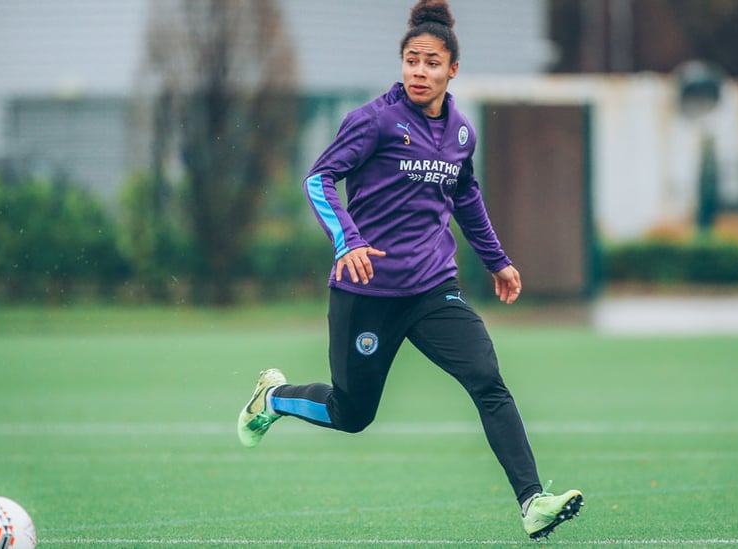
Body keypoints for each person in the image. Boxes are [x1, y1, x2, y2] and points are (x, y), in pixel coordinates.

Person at [237, 0, 583, 539]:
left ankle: (532, 501)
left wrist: (498, 261)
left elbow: (465, 196)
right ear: (402, 63)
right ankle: (273, 398)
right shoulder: (373, 121)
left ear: (453, 70)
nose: (420, 72)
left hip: (432, 289)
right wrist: (346, 240)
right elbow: (318, 181)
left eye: (432, 63)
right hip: (367, 292)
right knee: (353, 414)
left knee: (488, 381)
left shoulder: (461, 135)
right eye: (412, 61)